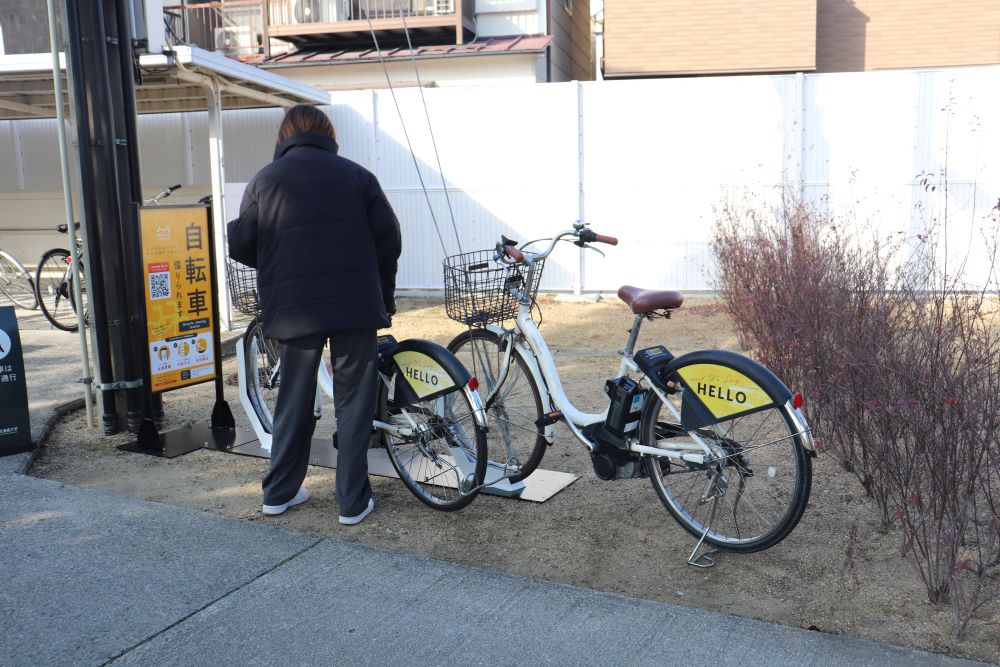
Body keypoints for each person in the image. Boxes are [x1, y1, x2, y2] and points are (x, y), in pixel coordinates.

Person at [227, 104, 401, 526]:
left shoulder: (266, 180)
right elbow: (389, 241)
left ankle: (280, 492)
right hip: (353, 302)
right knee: (354, 402)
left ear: (284, 136)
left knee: (294, 400)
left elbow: (242, 242)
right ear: (328, 134)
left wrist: (278, 260)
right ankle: (352, 501)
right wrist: (385, 299)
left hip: (293, 306)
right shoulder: (358, 176)